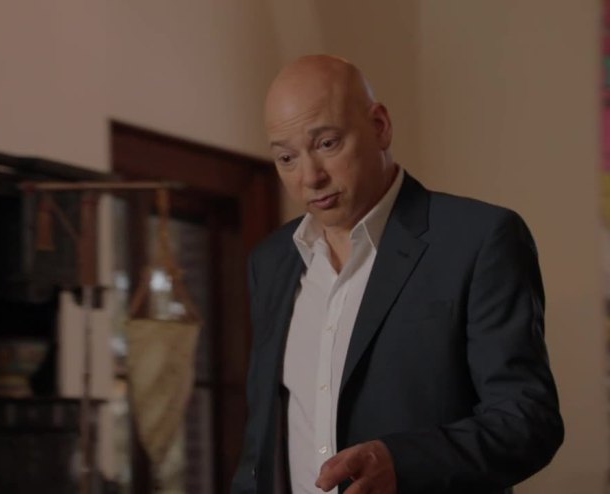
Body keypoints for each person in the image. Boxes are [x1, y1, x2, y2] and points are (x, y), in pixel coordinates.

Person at [231, 55, 563, 494]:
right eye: (287, 158)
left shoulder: (480, 240)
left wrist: (402, 464)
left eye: (327, 143)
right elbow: (261, 443)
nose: (310, 177)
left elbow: (528, 422)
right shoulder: (271, 261)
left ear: (380, 126)